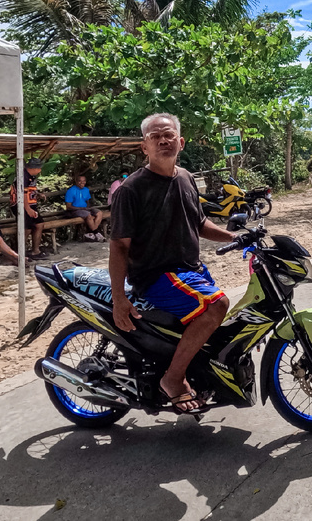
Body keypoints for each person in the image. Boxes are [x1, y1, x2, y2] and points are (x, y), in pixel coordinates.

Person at [108, 113, 243, 414]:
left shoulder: (185, 178)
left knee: (219, 323)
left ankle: (198, 372)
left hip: (188, 270)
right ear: (144, 147)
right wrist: (119, 298)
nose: (163, 140)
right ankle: (173, 379)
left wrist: (235, 236)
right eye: (155, 137)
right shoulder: (131, 190)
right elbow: (118, 246)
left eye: (169, 135)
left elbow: (199, 223)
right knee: (216, 305)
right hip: (157, 276)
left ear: (180, 142)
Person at [11, 158, 47, 259]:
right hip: (21, 206)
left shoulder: (31, 176)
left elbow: (29, 191)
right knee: (26, 229)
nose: (40, 170)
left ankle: (36, 251)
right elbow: (22, 194)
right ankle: (19, 254)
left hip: (31, 205)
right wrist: (27, 209)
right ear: (34, 168)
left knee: (39, 224)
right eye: (39, 167)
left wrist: (38, 194)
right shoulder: (22, 177)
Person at [65, 174, 105, 241]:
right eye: (80, 181)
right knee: (87, 215)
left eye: (84, 181)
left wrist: (89, 209)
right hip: (74, 210)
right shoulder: (71, 191)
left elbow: (87, 201)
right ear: (76, 181)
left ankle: (91, 232)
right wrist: (80, 208)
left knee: (99, 213)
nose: (82, 183)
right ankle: (96, 232)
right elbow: (68, 207)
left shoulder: (86, 190)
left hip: (85, 208)